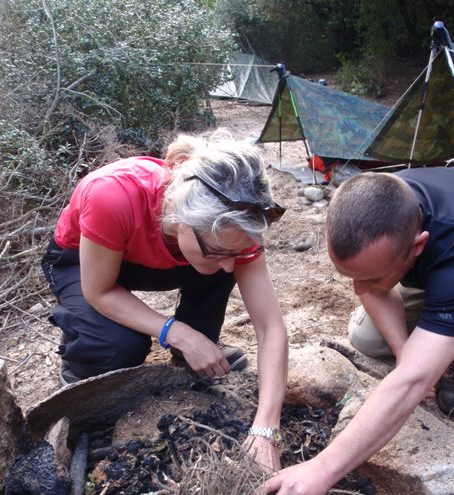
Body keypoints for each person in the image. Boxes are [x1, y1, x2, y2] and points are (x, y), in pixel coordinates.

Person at [41, 129, 288, 469]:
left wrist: (266, 428)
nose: (232, 264)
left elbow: (271, 327)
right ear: (181, 220)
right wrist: (177, 332)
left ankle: (194, 354)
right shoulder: (113, 195)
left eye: (238, 251)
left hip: (170, 258)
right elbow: (98, 291)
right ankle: (82, 367)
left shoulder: (234, 226)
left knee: (213, 268)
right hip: (83, 262)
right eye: (220, 251)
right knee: (120, 347)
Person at [262, 166, 454, 495]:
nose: (357, 288)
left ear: (417, 245)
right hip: (438, 271)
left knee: (422, 368)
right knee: (368, 337)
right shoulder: (379, 201)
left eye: (369, 276)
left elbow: (412, 384)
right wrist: (407, 353)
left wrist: (321, 470)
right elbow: (371, 293)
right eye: (348, 275)